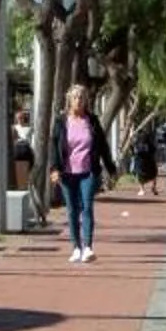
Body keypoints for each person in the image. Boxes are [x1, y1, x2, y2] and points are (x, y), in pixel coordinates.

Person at [49, 82, 113, 263]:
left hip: (88, 172)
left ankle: (88, 247)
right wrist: (54, 169)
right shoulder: (61, 121)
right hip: (67, 173)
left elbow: (102, 146)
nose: (78, 101)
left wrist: (110, 167)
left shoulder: (92, 121)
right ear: (69, 100)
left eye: (82, 98)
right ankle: (76, 247)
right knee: (72, 210)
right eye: (75, 97)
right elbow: (54, 146)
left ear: (86, 101)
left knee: (87, 207)